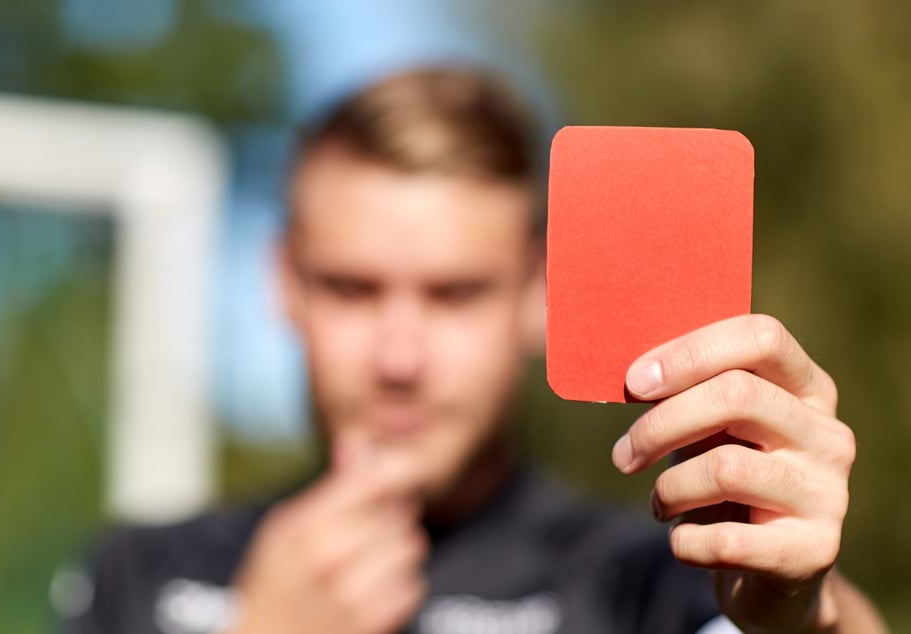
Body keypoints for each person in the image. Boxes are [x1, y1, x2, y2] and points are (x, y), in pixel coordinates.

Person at [58, 67, 888, 634]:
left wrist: (804, 609)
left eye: (455, 295)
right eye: (352, 289)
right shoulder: (142, 571)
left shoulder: (652, 580)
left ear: (539, 294)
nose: (399, 357)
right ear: (284, 282)